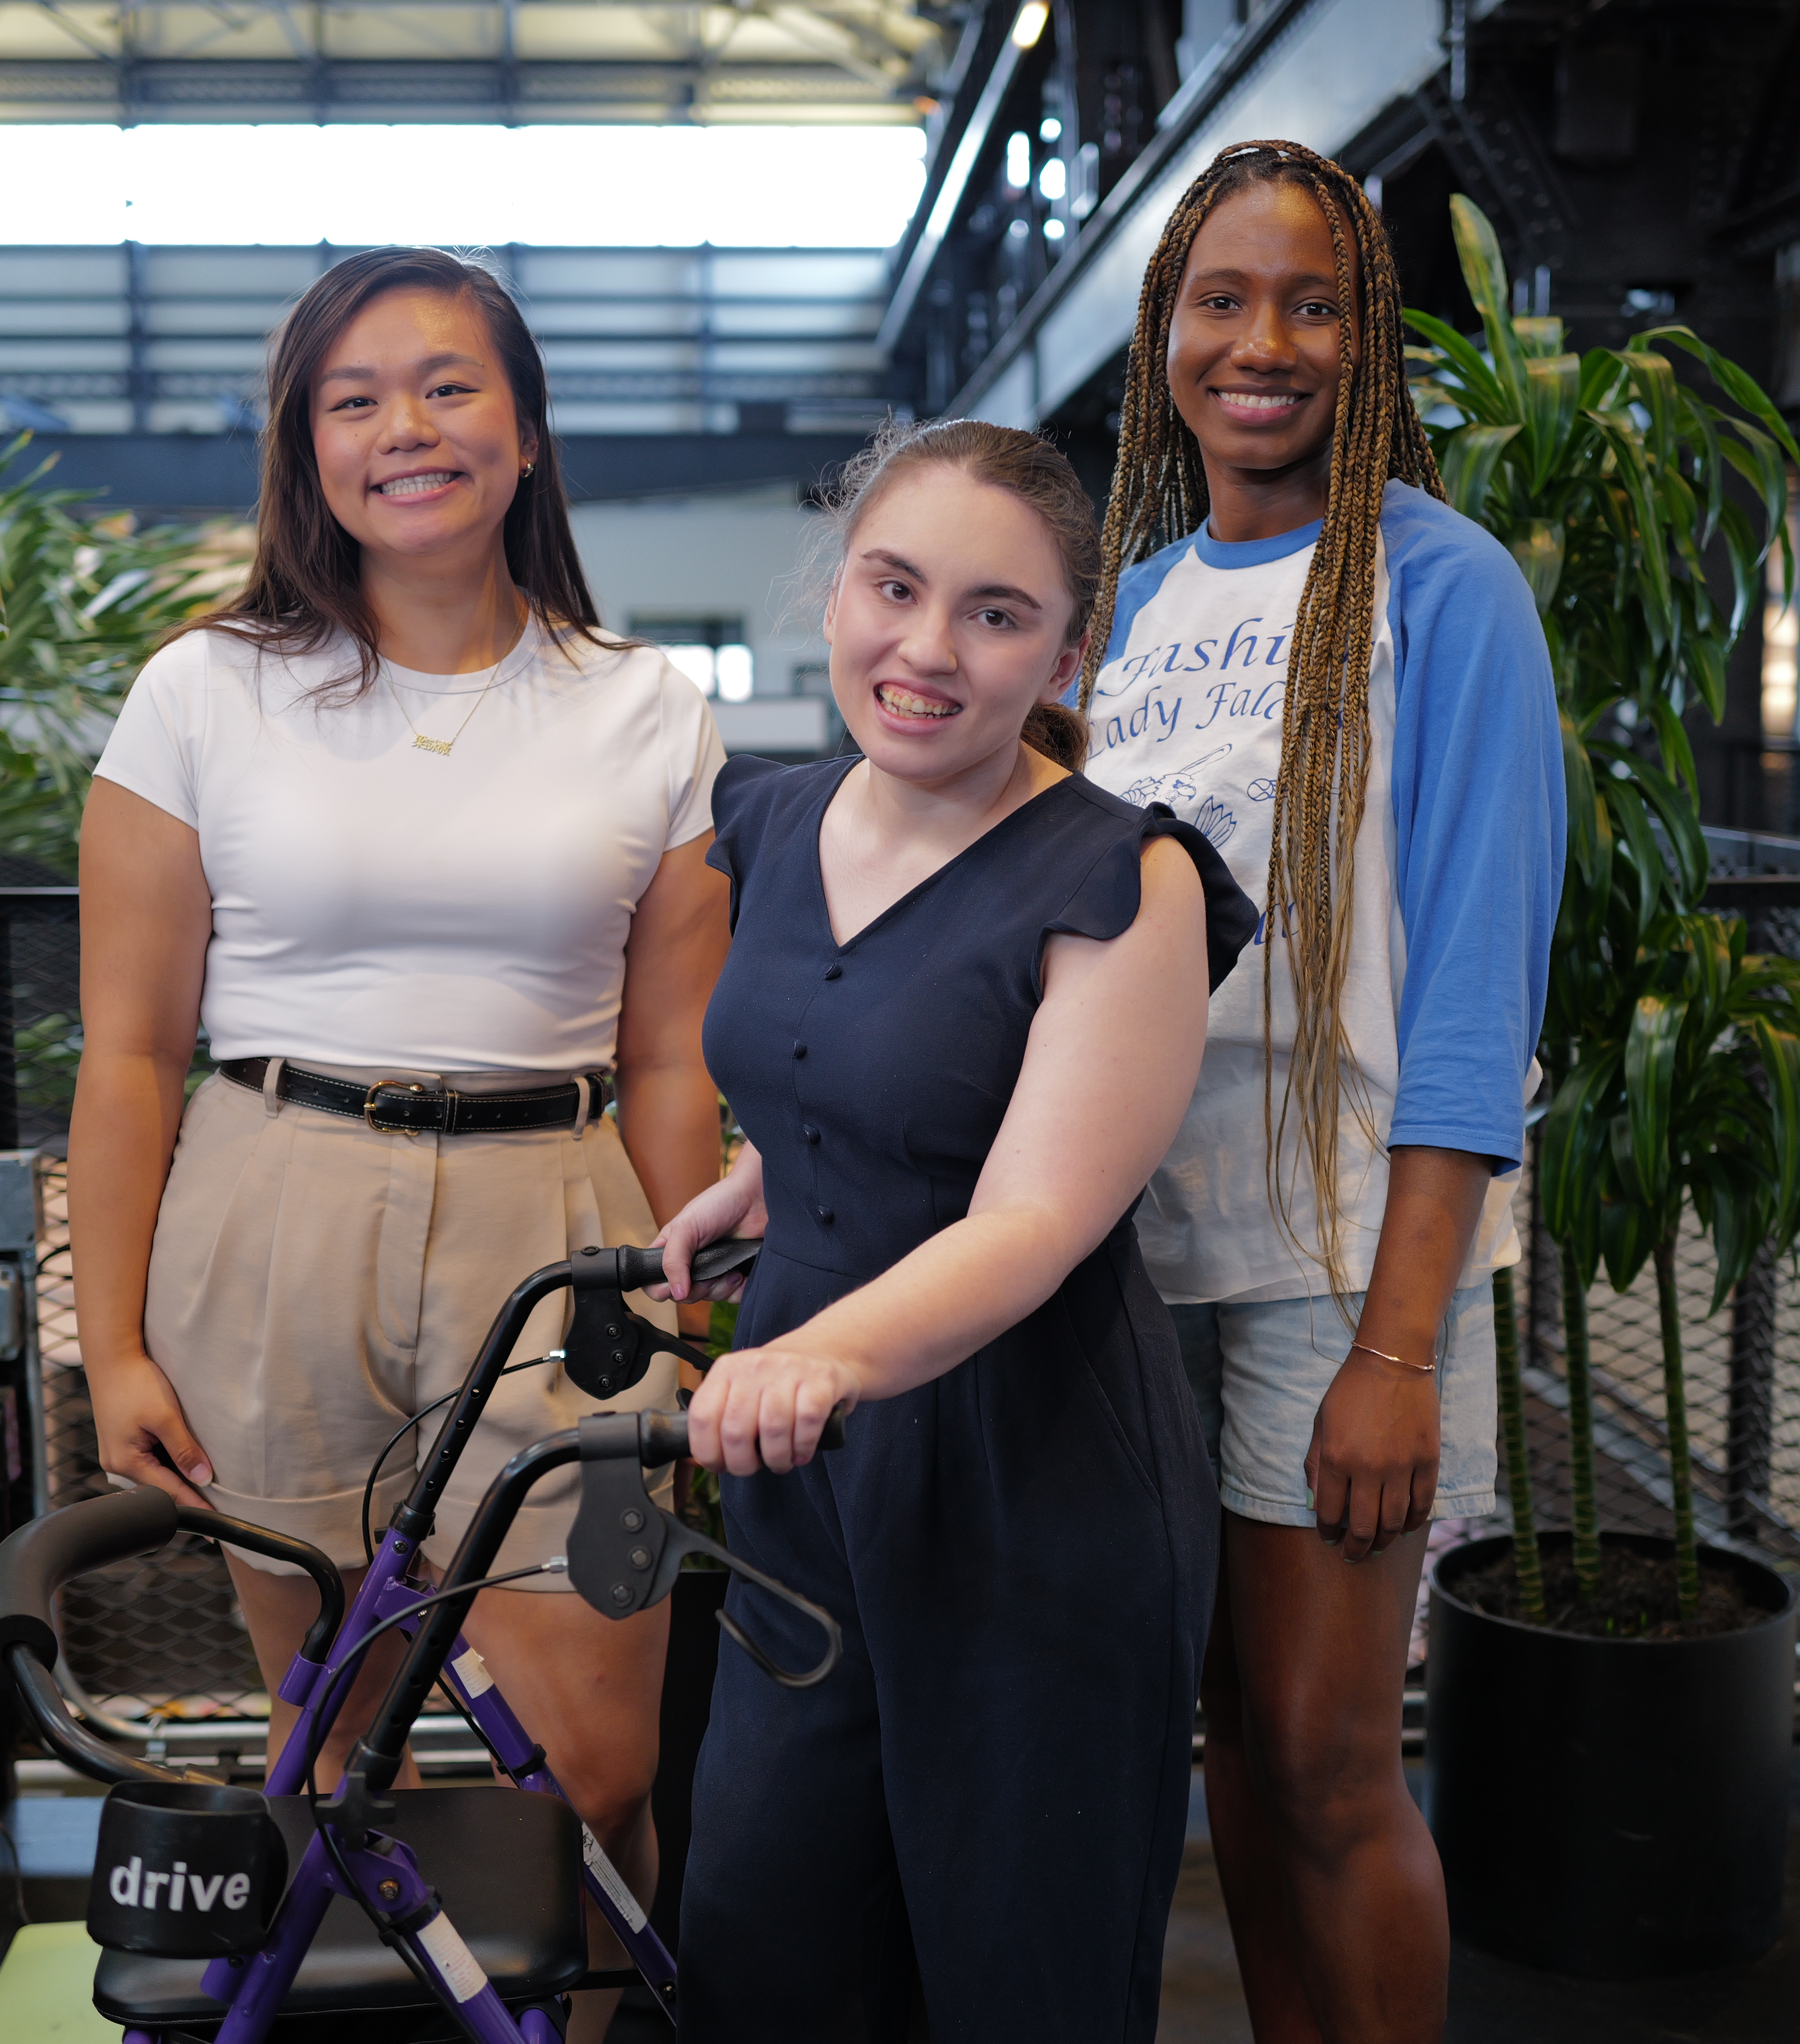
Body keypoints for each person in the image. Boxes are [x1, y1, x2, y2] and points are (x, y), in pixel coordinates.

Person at [66, 247, 730, 2036]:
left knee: (590, 1756)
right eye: (352, 397)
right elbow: (127, 1053)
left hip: (567, 1238)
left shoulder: (647, 704)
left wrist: (706, 1296)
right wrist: (110, 1337)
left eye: (447, 385)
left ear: (521, 431)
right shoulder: (203, 691)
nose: (404, 428)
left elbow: (671, 1052)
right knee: (330, 1746)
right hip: (273, 1205)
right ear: (306, 445)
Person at [648, 420, 1257, 2040]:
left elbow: (1042, 1208)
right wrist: (778, 1168)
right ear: (833, 588)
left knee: (1012, 1965)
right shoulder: (769, 821)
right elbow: (863, 1061)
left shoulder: (1123, 878)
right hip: (802, 1479)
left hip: (1024, 1480)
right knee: (763, 1933)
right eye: (891, 587)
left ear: (1069, 651)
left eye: (993, 614)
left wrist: (817, 1351)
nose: (923, 650)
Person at [1078, 141, 1566, 2042]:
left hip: (1338, 1252)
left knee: (1326, 1757)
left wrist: (1398, 1340)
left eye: (1311, 302)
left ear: (1367, 343)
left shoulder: (1442, 594)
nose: (1259, 341)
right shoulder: (1125, 609)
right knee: (1224, 1741)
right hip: (1135, 1247)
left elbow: (1466, 989)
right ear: (1165, 330)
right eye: (1221, 298)